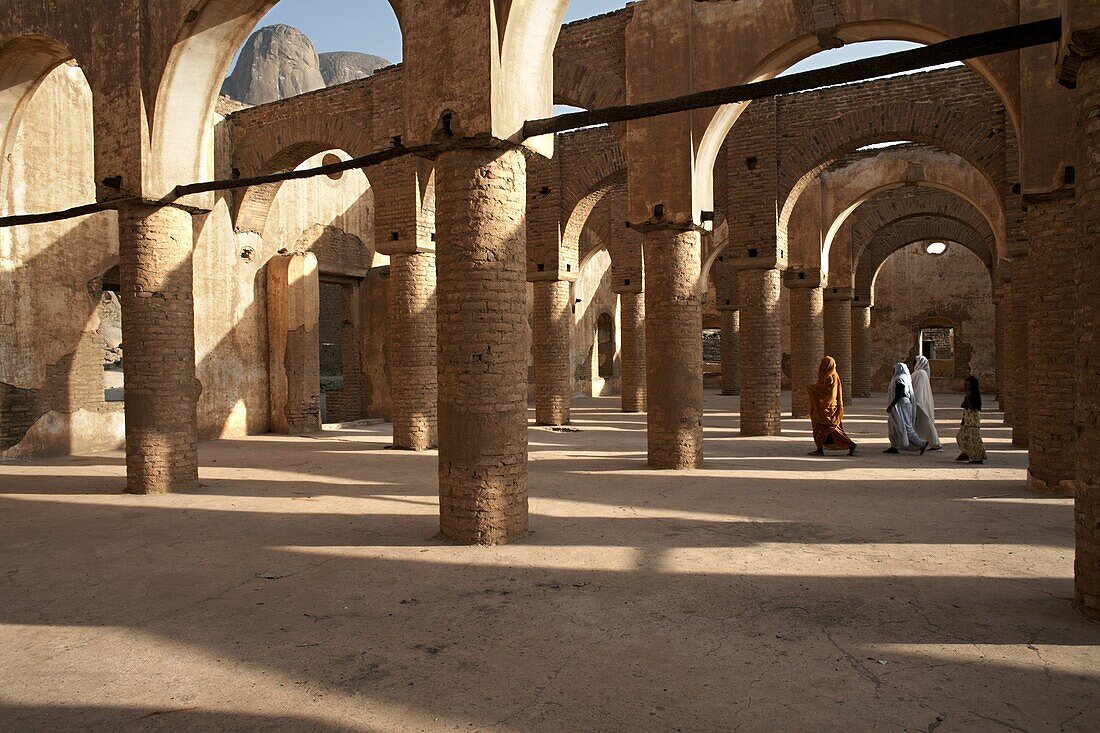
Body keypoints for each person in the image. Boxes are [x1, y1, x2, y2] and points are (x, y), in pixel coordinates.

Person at [807, 356, 857, 456]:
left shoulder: (831, 376)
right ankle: (819, 449)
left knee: (833, 429)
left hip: (828, 409)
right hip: (821, 408)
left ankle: (850, 445)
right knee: (818, 430)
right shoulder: (824, 376)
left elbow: (829, 393)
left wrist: (814, 389)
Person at [885, 362, 928, 455]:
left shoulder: (899, 379)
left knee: (905, 425)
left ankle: (921, 443)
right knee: (893, 424)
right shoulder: (903, 378)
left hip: (901, 405)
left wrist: (891, 405)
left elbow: (899, 394)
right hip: (902, 404)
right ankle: (894, 446)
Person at [911, 355, 943, 450]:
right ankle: (920, 442)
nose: (913, 363)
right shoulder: (919, 373)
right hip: (921, 402)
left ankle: (934, 443)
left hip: (920, 402)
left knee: (925, 423)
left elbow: (919, 389)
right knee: (920, 424)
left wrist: (917, 402)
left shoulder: (920, 373)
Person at [955, 375, 987, 464]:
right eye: (966, 385)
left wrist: (968, 397)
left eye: (969, 385)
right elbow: (964, 407)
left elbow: (972, 407)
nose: (967, 387)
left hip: (972, 421)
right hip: (967, 420)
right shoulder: (968, 395)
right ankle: (966, 452)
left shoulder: (975, 395)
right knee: (961, 436)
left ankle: (978, 457)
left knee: (974, 439)